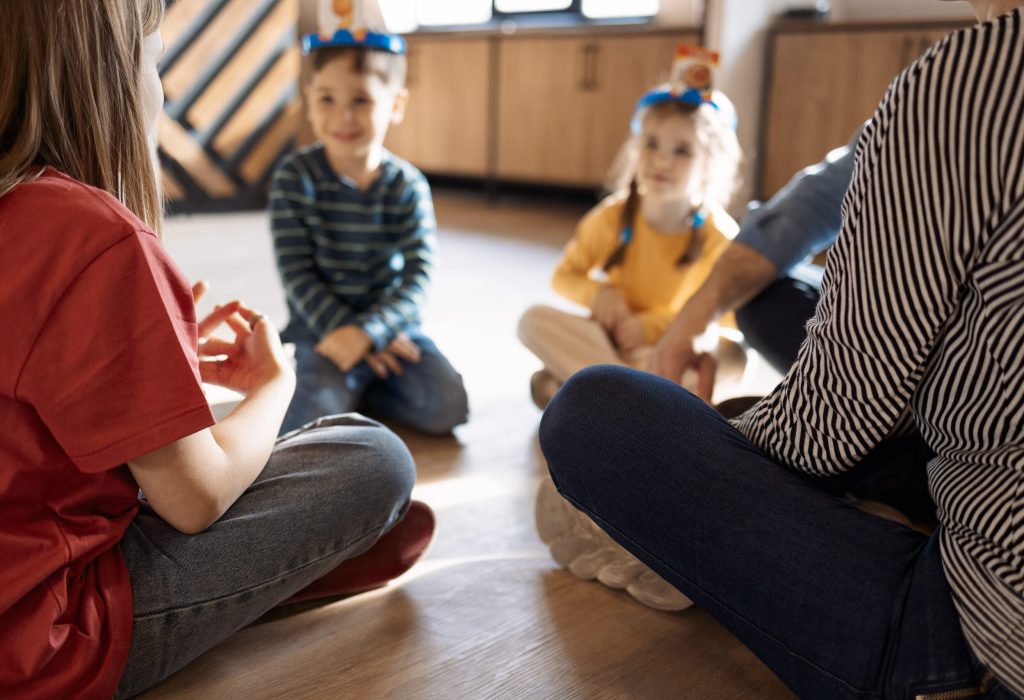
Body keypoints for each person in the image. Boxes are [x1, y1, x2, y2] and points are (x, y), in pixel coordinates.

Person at [539, 1, 1024, 697]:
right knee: (762, 312)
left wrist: (703, 458)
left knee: (593, 409)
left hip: (981, 646)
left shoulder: (976, 74)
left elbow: (832, 422)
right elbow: (811, 202)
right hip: (968, 457)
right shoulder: (611, 221)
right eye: (652, 146)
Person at [0, 2, 433, 697]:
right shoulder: (90, 237)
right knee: (374, 458)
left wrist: (144, 356)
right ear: (112, 76)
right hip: (41, 640)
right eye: (156, 60)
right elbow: (194, 501)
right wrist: (271, 386)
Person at [270, 2, 469, 437]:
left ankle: (361, 387)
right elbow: (297, 274)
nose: (343, 117)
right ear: (309, 100)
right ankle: (349, 387)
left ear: (396, 104)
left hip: (390, 329)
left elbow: (418, 277)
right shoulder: (294, 177)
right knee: (307, 423)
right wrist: (344, 331)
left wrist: (371, 332)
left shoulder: (408, 185)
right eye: (327, 99)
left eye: (361, 100)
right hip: (322, 331)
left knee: (449, 405)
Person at [518, 47, 743, 409]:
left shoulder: (720, 235)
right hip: (608, 343)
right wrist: (600, 294)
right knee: (531, 321)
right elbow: (564, 277)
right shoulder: (612, 217)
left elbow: (728, 318)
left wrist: (653, 327)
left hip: (668, 350)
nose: (661, 161)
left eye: (682, 150)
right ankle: (639, 402)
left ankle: (583, 389)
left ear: (710, 163)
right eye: (651, 144)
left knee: (733, 355)